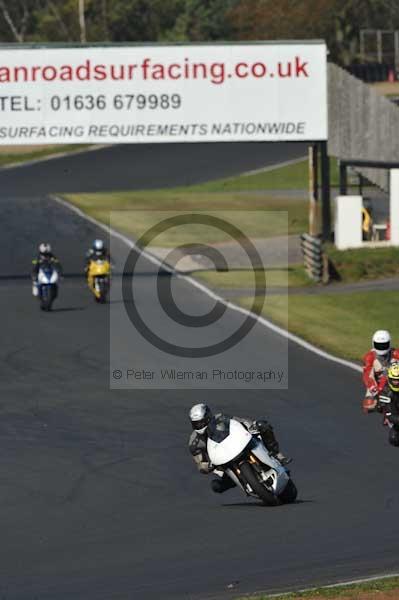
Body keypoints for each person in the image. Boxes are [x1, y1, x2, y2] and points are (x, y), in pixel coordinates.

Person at [188, 403, 291, 494]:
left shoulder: (220, 418)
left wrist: (250, 426)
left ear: (208, 417)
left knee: (262, 425)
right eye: (196, 424)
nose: (200, 425)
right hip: (223, 463)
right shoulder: (194, 442)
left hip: (239, 444)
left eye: (202, 422)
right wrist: (206, 466)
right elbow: (200, 463)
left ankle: (277, 454)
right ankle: (245, 483)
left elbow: (240, 421)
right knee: (217, 486)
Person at [362, 330, 399, 413]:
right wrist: (375, 390)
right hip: (376, 384)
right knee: (368, 405)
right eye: (379, 345)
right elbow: (367, 376)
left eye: (384, 345)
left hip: (394, 380)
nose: (381, 348)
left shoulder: (396, 353)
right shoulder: (369, 357)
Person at [379, 363, 399, 446]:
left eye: (398, 380)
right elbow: (390, 415)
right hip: (396, 414)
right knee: (394, 439)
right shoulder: (385, 392)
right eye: (394, 380)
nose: (396, 383)